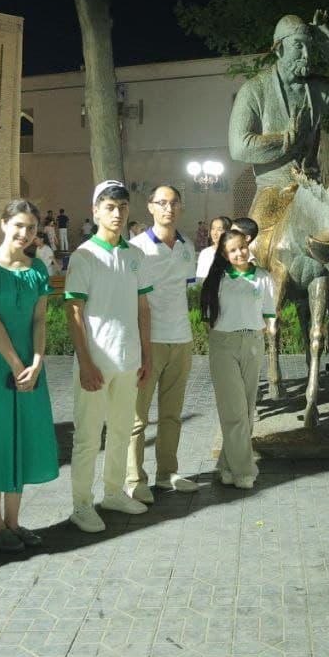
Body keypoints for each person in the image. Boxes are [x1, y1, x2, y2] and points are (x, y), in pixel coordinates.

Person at [0, 200, 59, 553]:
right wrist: (17, 366)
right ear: (4, 223)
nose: (24, 234)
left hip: (29, 368)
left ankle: (15, 522)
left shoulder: (37, 270)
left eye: (32, 228)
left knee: (19, 438)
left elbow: (39, 320)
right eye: (18, 225)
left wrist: (37, 360)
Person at [65, 181, 154, 533]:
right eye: (109, 207)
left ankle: (114, 492)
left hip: (129, 360)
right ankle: (81, 505)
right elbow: (74, 311)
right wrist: (86, 362)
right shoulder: (85, 256)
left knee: (120, 431)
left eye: (122, 207)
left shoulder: (134, 255)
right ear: (96, 211)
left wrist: (146, 356)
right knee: (88, 436)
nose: (117, 214)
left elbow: (143, 308)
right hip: (96, 364)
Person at [228, 10, 329, 192]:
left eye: (309, 47)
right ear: (279, 49)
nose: (306, 55)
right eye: (298, 46)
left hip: (312, 189)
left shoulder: (316, 89)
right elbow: (239, 147)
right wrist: (286, 140)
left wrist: (327, 44)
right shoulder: (254, 90)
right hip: (273, 190)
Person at [127, 185, 200, 501]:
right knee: (137, 418)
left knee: (172, 415)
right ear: (150, 207)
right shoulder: (137, 248)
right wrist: (140, 346)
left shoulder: (187, 247)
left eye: (174, 203)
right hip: (149, 342)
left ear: (180, 208)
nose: (168, 208)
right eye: (162, 203)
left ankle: (167, 473)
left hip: (180, 339)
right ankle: (134, 479)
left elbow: (181, 290)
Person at [200, 230, 277, 488]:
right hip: (224, 345)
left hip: (253, 343)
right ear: (224, 254)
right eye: (232, 250)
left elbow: (269, 314)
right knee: (233, 410)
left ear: (248, 246)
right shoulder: (218, 279)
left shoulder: (263, 278)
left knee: (245, 409)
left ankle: (226, 465)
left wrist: (268, 333)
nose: (239, 252)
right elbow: (209, 315)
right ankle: (245, 471)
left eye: (242, 247)